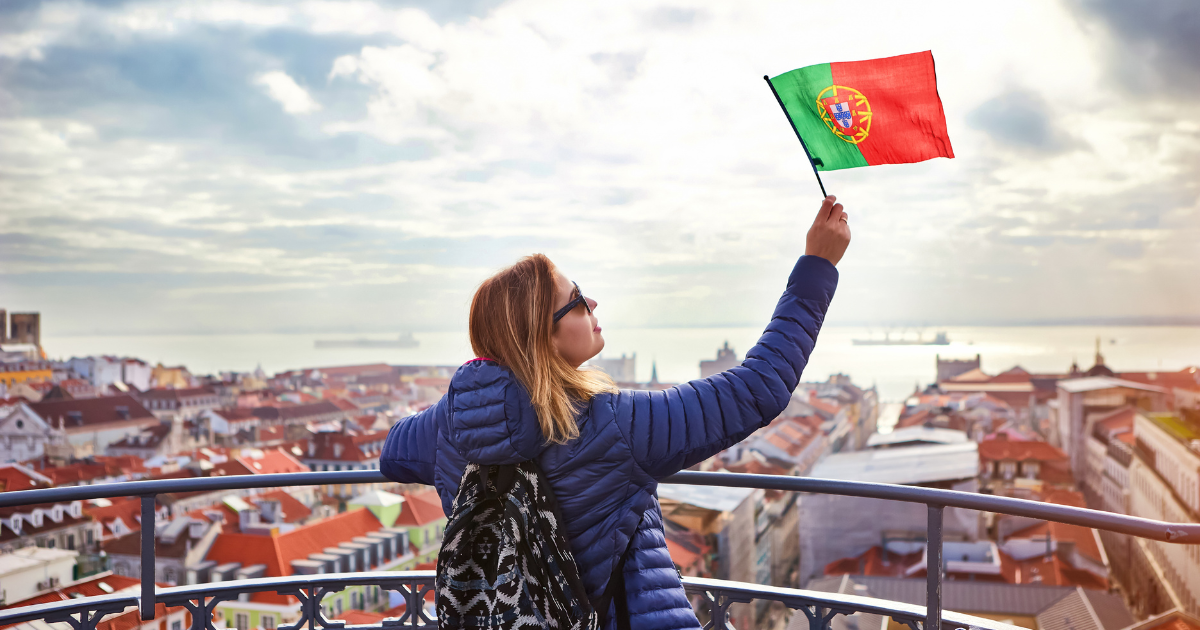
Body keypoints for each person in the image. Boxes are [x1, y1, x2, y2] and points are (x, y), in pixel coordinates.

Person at [381, 195, 850, 629]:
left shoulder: (447, 426)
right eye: (578, 300)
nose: (594, 303)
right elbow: (755, 390)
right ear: (545, 336)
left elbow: (392, 455)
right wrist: (817, 266)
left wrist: (464, 400)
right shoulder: (612, 424)